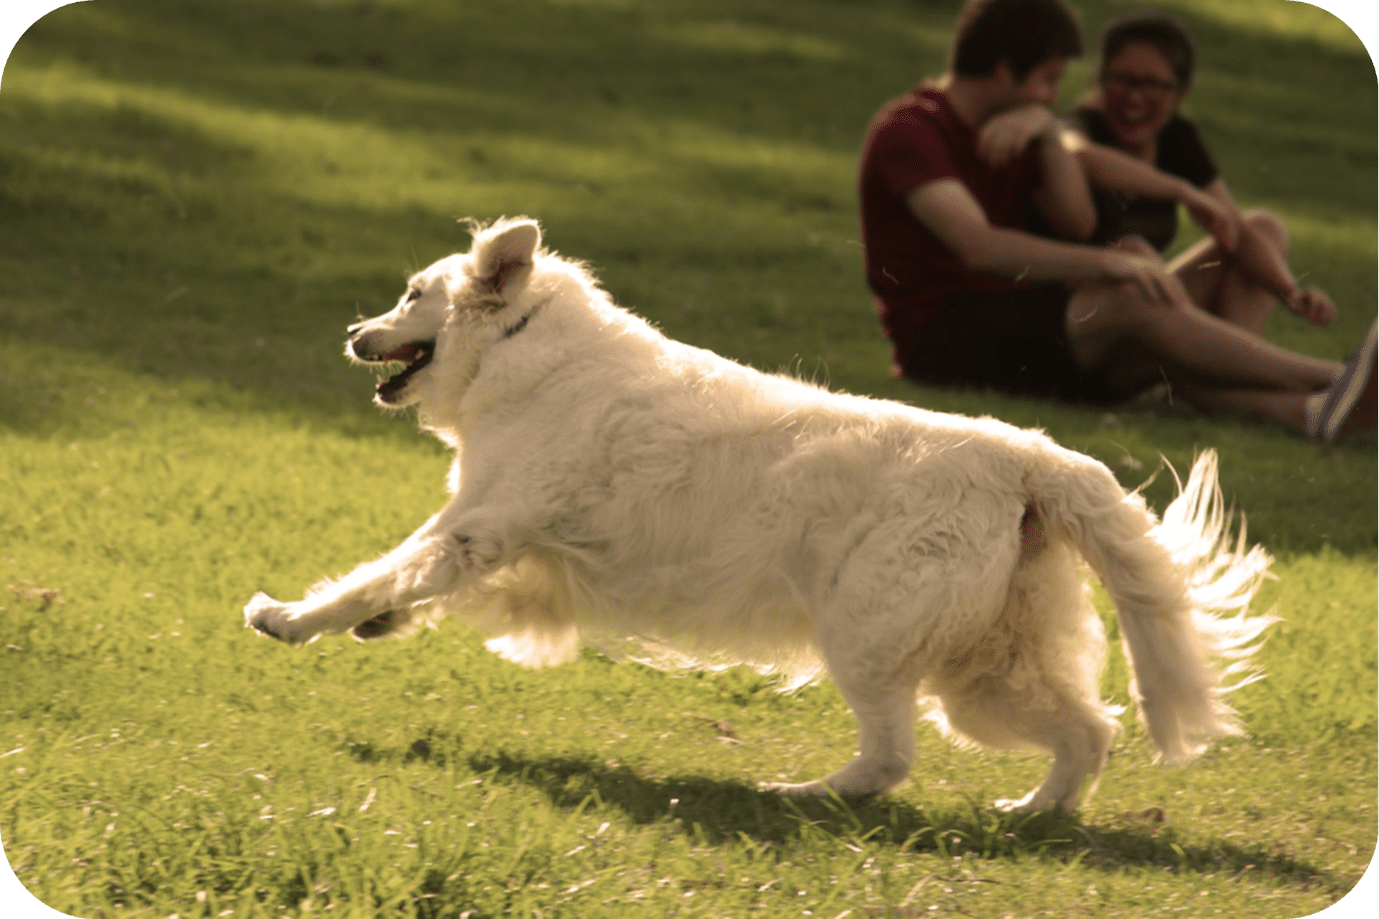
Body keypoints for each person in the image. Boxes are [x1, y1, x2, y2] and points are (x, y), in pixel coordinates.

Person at [858, 0, 1376, 443]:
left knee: (1229, 247)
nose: (1052, 97)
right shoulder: (909, 132)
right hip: (950, 340)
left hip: (1033, 328)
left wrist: (1050, 136)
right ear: (1003, 69)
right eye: (1048, 80)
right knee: (1136, 291)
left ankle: (1317, 416)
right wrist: (1111, 265)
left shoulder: (1013, 127)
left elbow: (1080, 187)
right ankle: (1337, 379)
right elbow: (979, 247)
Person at [1037, 10, 1337, 332]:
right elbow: (1079, 154)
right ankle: (1233, 366)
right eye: (1122, 79)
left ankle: (1230, 365)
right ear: (1101, 77)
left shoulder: (1176, 138)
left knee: (1264, 228)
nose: (1133, 98)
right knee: (1134, 254)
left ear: (1181, 93)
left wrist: (1291, 292)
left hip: (1145, 303)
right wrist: (1181, 190)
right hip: (1079, 318)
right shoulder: (1077, 127)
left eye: (1151, 85)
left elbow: (1233, 229)